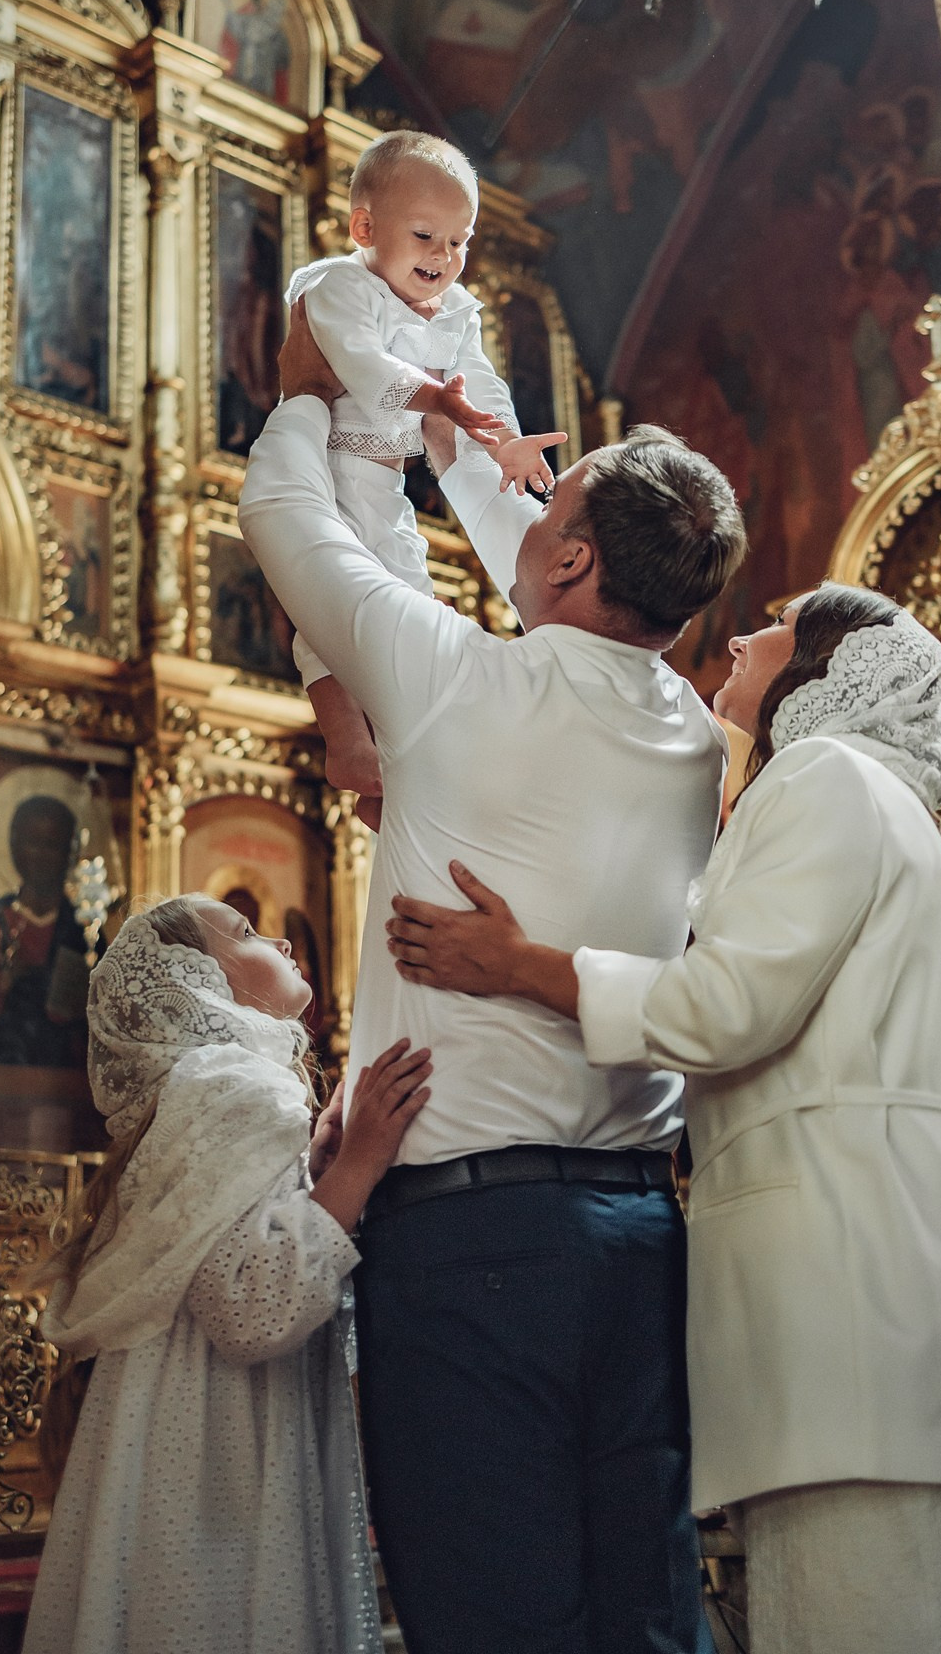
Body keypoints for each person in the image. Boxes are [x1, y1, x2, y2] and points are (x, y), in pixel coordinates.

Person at [388, 581, 941, 1654]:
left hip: (851, 1306)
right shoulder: (875, 794)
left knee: (865, 1620)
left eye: (776, 625)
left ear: (825, 667)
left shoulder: (822, 778)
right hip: (896, 1300)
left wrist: (522, 965)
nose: (743, 635)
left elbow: (725, 1010)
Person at [239, 305, 745, 1654]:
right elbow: (570, 581)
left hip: (469, 1254)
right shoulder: (694, 739)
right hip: (645, 1238)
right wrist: (465, 441)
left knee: (491, 1619)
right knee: (648, 1613)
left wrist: (309, 395)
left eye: (548, 510)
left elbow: (285, 518)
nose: (524, 518)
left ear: (572, 554)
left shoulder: (457, 685)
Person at [24, 891, 429, 1654]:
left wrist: (313, 1171)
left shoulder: (200, 1089)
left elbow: (232, 1246)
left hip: (178, 1431)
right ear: (195, 982)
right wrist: (365, 1162)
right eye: (244, 933)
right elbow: (252, 1308)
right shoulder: (239, 1088)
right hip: (222, 1453)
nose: (278, 938)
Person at [284, 130, 565, 819]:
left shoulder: (455, 313)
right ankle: (344, 737)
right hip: (324, 464)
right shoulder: (337, 287)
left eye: (459, 241)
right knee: (327, 592)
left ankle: (398, 755)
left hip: (382, 476)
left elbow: (479, 387)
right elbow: (363, 366)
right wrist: (434, 398)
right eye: (425, 236)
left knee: (405, 591)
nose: (444, 257)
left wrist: (504, 441)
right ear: (363, 227)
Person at [0, 796, 89, 1068]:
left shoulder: (85, 930)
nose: (40, 855)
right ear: (15, 848)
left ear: (70, 854)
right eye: (32, 843)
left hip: (66, 1081)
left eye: (52, 845)